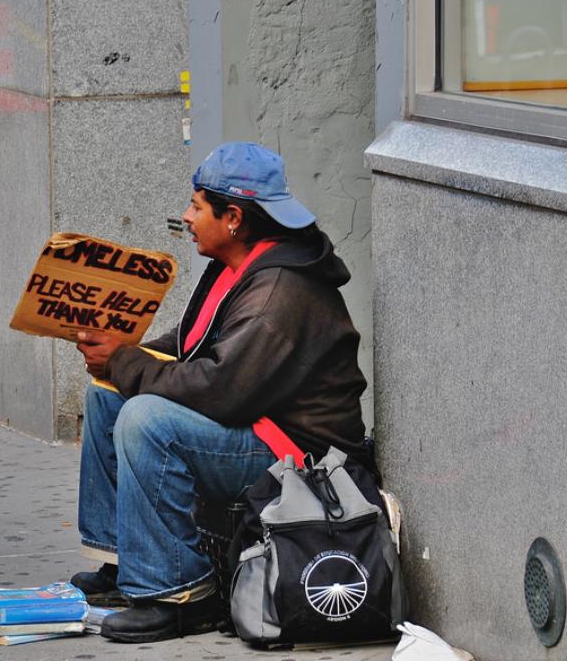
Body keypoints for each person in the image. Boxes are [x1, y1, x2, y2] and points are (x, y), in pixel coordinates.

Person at [71, 141, 369, 643]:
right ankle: (123, 562)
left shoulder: (280, 291)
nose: (187, 218)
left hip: (299, 456)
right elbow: (192, 346)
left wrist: (124, 362)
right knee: (108, 396)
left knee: (145, 420)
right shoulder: (239, 265)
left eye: (196, 206)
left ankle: (179, 593)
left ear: (233, 218)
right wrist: (122, 355)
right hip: (257, 421)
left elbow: (222, 389)